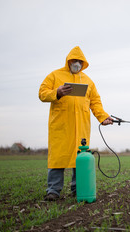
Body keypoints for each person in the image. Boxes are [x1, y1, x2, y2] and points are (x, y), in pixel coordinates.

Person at [39, 46, 113, 201]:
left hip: (81, 127)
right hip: (61, 127)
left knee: (79, 158)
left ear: (83, 63)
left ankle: (77, 188)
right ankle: (53, 191)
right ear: (68, 61)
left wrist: (103, 117)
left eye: (80, 61)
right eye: (74, 60)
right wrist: (57, 92)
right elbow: (42, 93)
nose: (77, 63)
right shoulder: (54, 75)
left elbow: (96, 103)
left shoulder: (88, 81)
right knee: (58, 159)